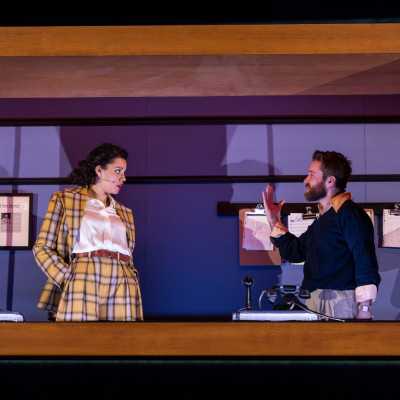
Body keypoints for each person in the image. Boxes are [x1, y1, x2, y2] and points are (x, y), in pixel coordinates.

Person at [262, 150, 381, 319]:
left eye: (311, 175)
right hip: (314, 301)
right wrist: (274, 221)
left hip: (340, 303)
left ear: (330, 180)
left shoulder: (350, 215)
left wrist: (364, 309)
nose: (305, 180)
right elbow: (295, 252)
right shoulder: (324, 219)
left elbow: (364, 260)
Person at [33, 143, 143, 321]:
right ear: (99, 170)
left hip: (122, 277)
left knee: (121, 343)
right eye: (117, 171)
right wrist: (68, 276)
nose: (123, 178)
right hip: (84, 274)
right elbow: (42, 247)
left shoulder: (125, 212)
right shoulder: (65, 199)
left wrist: (130, 276)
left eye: (123, 172)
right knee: (78, 342)